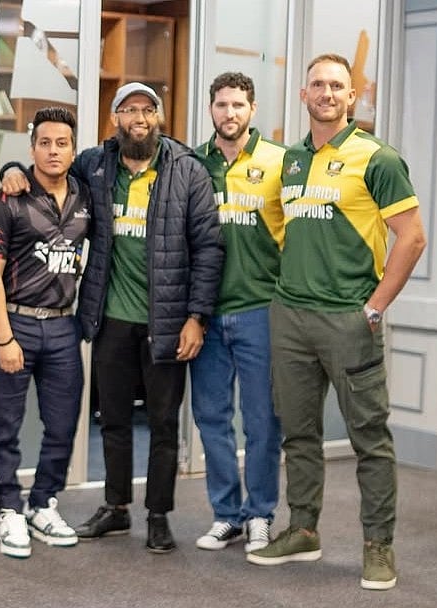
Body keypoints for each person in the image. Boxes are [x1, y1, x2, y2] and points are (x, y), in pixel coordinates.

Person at [5, 82, 222, 554]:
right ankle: (116, 507)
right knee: (114, 420)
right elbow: (49, 168)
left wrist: (197, 317)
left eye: (147, 110)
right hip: (111, 319)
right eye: (128, 110)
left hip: (168, 322)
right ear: (115, 118)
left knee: (163, 424)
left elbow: (208, 249)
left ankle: (158, 515)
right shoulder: (96, 165)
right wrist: (11, 170)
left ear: (158, 117)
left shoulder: (187, 170)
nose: (138, 118)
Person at [247, 54, 427, 592]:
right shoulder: (292, 161)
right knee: (298, 434)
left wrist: (374, 307)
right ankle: (303, 530)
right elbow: (283, 229)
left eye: (336, 86)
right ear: (303, 95)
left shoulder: (377, 158)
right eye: (317, 85)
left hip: (349, 319)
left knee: (370, 437)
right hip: (290, 317)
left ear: (351, 96)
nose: (326, 93)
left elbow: (413, 237)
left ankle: (378, 546)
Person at [0, 107, 89, 559]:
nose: (53, 151)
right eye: (45, 143)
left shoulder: (85, 196)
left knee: (62, 425)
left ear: (73, 150)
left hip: (64, 324)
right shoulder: (8, 199)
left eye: (62, 143)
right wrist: (5, 339)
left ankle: (43, 503)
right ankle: (9, 506)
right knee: (6, 426)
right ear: (32, 148)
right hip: (15, 322)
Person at [190, 72, 284, 554]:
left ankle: (260, 514)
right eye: (222, 105)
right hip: (205, 314)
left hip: (260, 310)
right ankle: (226, 515)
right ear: (211, 109)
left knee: (263, 421)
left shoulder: (279, 162)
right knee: (212, 419)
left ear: (253, 109)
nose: (230, 113)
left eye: (238, 105)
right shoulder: (192, 164)